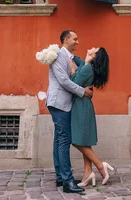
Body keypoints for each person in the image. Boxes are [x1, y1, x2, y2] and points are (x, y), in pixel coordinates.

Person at [46, 30, 94, 194]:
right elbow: (64, 81)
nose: (77, 42)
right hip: (59, 103)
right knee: (65, 140)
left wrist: (88, 60)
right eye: (75, 39)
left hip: (61, 103)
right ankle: (67, 181)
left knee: (59, 139)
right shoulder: (59, 56)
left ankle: (60, 176)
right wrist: (83, 91)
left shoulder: (70, 57)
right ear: (66, 40)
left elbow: (83, 68)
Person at [69, 47, 115, 186]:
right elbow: (77, 59)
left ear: (95, 56)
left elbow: (73, 83)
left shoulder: (88, 68)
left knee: (76, 140)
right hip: (83, 105)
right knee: (84, 141)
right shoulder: (87, 66)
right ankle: (88, 173)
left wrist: (72, 69)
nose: (91, 47)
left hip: (81, 106)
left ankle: (101, 165)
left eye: (94, 49)